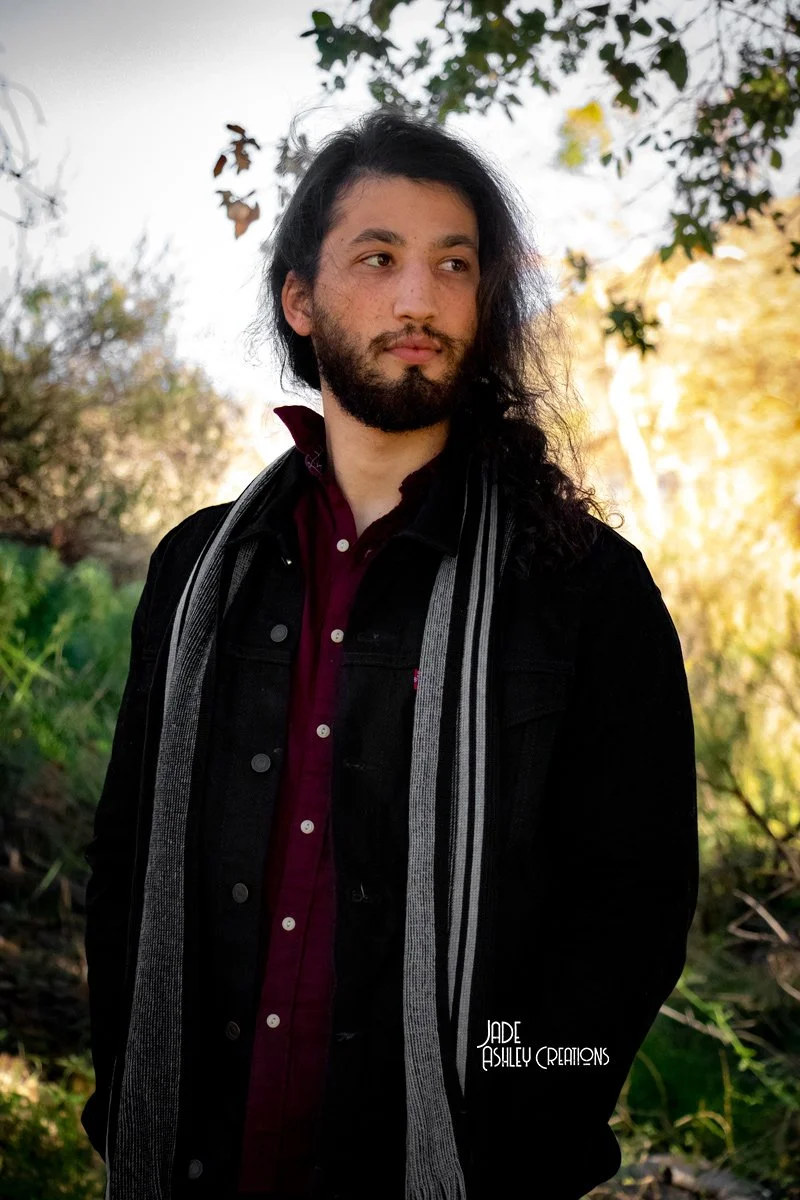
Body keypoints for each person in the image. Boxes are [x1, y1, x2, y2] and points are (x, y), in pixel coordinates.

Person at [81, 107, 699, 1200]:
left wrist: (524, 1114)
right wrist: (119, 1087)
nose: (419, 298)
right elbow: (123, 860)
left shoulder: (584, 593)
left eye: (451, 264)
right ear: (300, 301)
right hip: (193, 1159)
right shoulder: (193, 574)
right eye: (378, 258)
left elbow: (632, 910)